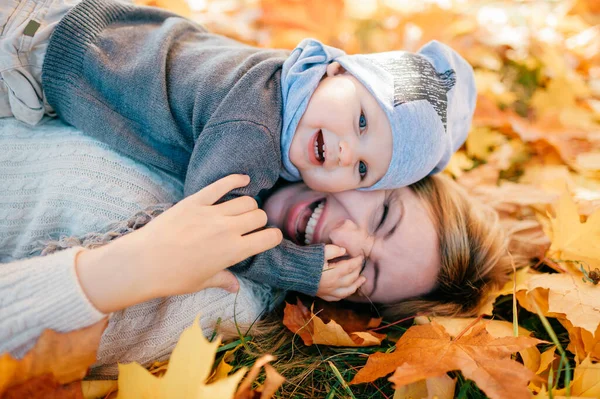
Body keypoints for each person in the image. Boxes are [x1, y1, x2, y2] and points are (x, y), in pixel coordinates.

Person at [0, 0, 477, 300]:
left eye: (362, 167)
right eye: (383, 217)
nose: (348, 243)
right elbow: (214, 232)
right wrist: (303, 272)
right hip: (34, 46)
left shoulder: (296, 96)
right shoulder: (258, 125)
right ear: (338, 70)